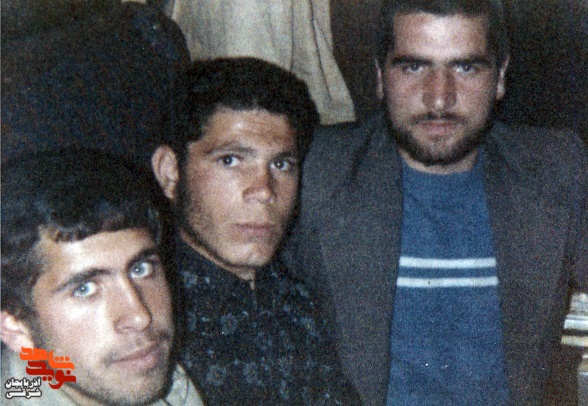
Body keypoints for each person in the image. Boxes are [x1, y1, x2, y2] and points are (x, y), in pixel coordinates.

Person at [284, 0, 588, 405]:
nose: (439, 99)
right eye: (414, 67)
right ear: (380, 76)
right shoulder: (317, 171)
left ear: (500, 77)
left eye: (465, 68)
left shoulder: (554, 169)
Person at [151, 57, 359, 404]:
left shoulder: (300, 294)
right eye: (230, 160)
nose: (263, 190)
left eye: (281, 164)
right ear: (170, 172)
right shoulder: (149, 320)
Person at [1, 149, 204, 405]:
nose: (140, 317)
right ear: (15, 329)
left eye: (141, 269)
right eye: (85, 289)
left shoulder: (158, 377)